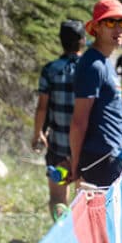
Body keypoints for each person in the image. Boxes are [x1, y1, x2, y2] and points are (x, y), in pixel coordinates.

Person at [69, 0, 122, 187]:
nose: (118, 29)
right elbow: (79, 121)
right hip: (99, 160)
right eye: (111, 22)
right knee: (99, 216)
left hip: (112, 157)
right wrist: (75, 164)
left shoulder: (105, 61)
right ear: (96, 27)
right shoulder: (92, 65)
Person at [33, 20, 85, 220]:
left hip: (58, 145)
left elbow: (42, 107)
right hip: (85, 145)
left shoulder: (50, 69)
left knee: (57, 197)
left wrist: (37, 132)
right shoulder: (91, 68)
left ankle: (60, 231)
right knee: (83, 195)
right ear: (82, 41)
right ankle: (79, 239)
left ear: (61, 41)